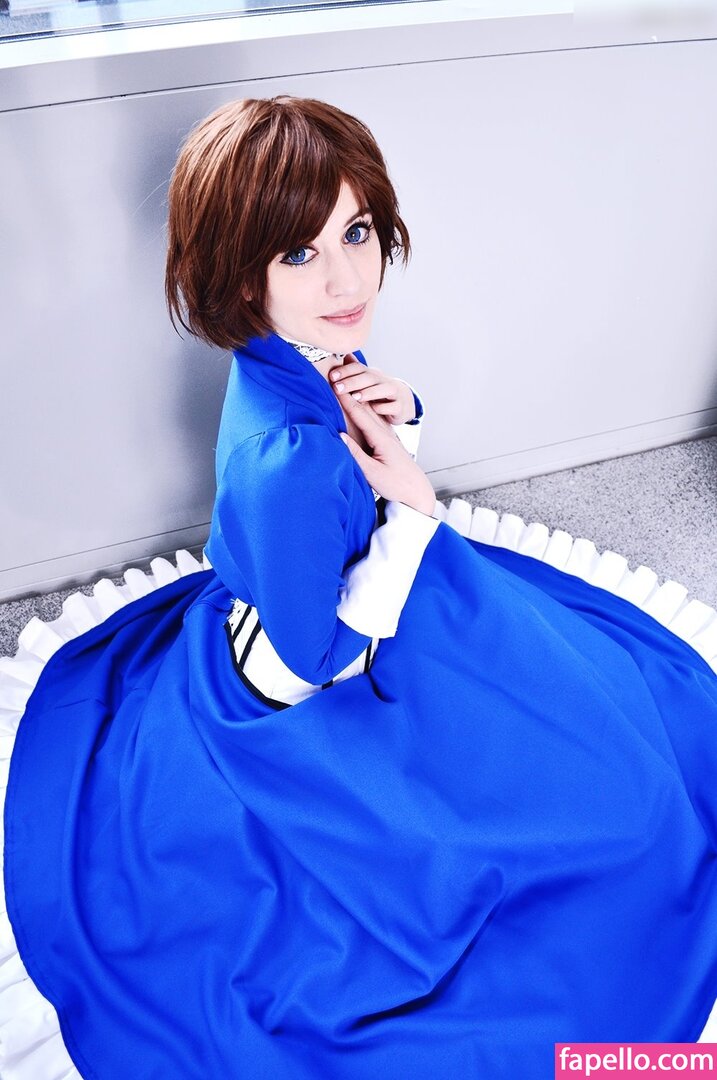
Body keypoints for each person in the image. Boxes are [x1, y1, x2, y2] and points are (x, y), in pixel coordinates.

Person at [2, 94, 717, 1080]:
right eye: (299, 252)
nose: (347, 278)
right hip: (314, 669)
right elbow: (308, 667)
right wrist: (413, 516)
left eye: (358, 231)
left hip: (359, 594)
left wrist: (401, 420)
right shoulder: (289, 462)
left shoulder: (296, 350)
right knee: (604, 826)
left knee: (602, 737)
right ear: (240, 274)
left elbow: (345, 468)